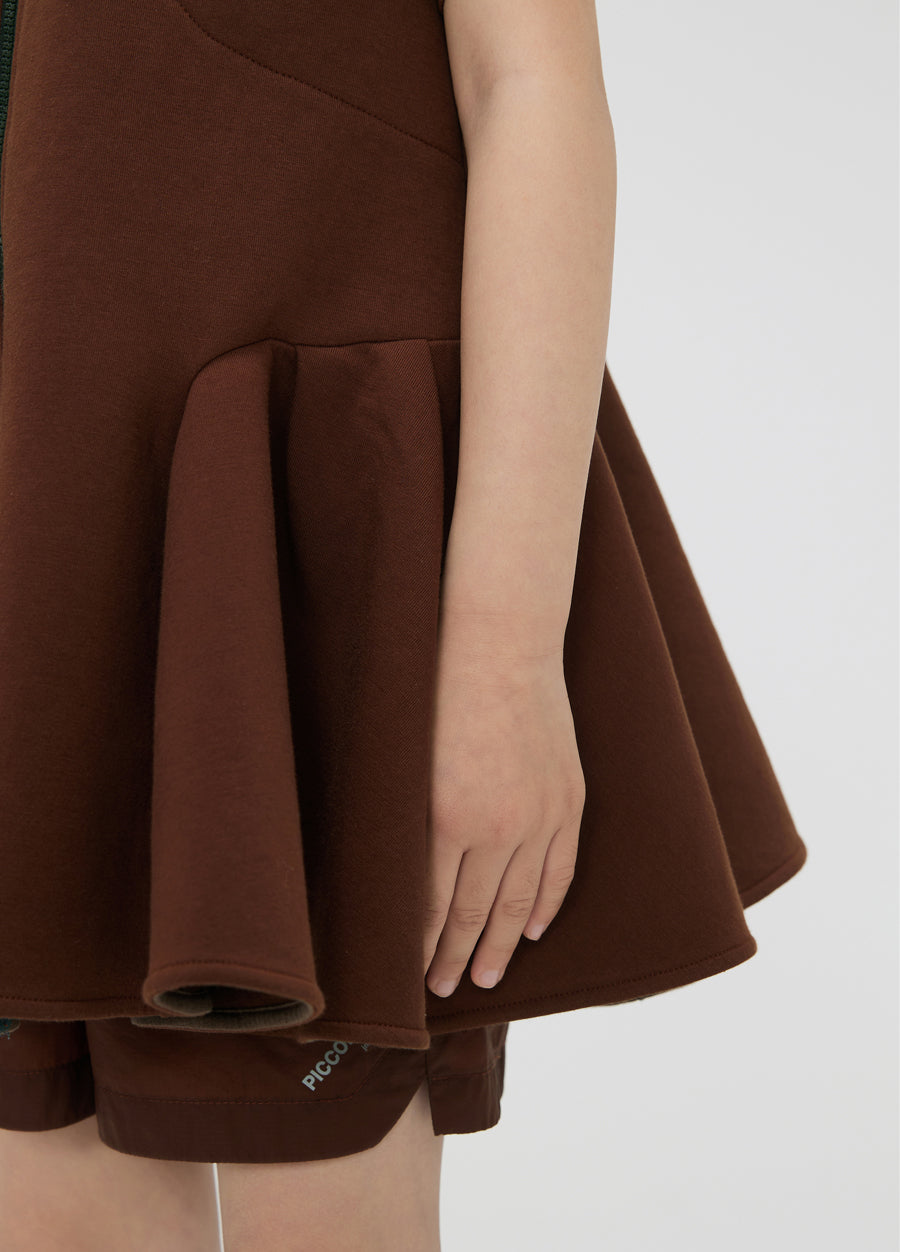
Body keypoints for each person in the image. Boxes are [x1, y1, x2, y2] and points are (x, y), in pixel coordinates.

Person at [0, 1, 806, 1249]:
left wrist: (504, 654)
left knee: (321, 1200)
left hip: (284, 558)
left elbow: (529, 87)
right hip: (44, 544)